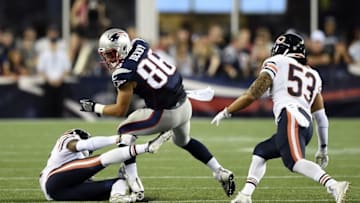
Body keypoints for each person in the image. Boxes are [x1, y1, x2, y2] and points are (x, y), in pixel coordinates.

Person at [79, 28, 235, 201]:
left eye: (111, 54)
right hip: (184, 103)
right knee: (183, 141)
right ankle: (219, 171)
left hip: (166, 113)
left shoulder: (123, 73)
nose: (108, 59)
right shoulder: (140, 44)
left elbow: (120, 110)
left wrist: (94, 108)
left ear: (122, 49)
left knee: (124, 131)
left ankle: (135, 184)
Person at [211, 33, 350, 203]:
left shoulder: (277, 61)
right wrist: (323, 148)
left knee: (294, 162)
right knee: (261, 151)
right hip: (306, 126)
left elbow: (254, 93)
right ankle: (245, 195)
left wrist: (227, 111)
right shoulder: (314, 75)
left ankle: (333, 184)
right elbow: (321, 118)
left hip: (291, 116)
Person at [39, 128, 171, 202]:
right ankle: (147, 147)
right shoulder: (67, 141)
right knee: (103, 159)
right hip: (53, 181)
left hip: (60, 194)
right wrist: (116, 139)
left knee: (119, 182)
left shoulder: (78, 158)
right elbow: (83, 145)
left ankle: (117, 197)